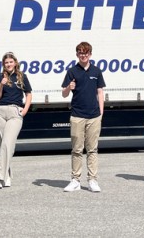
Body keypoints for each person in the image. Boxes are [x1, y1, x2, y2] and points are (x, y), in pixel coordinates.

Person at [61, 41, 106, 193]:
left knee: (92, 149)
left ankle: (92, 180)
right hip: (77, 116)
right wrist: (69, 87)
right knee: (77, 149)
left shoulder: (96, 71)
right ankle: (75, 180)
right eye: (80, 53)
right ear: (77, 54)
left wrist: (101, 113)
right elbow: (64, 94)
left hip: (94, 116)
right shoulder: (72, 71)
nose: (83, 55)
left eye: (86, 53)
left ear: (90, 54)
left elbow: (100, 92)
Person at [0, 52, 33, 189]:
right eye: (6, 62)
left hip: (15, 112)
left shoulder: (22, 76)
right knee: (3, 145)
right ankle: (7, 176)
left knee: (8, 143)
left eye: (10, 62)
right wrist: (1, 85)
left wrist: (25, 109)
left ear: (15, 63)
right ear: (3, 64)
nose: (8, 64)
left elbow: (28, 94)